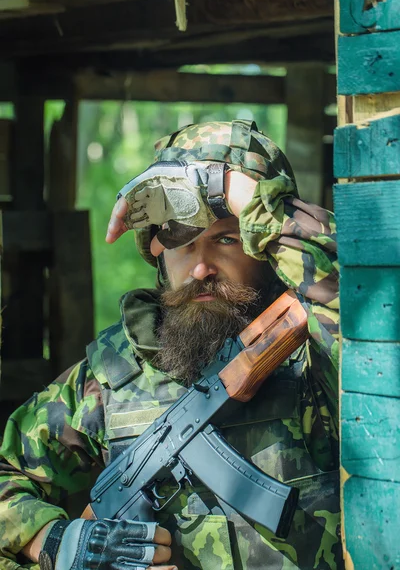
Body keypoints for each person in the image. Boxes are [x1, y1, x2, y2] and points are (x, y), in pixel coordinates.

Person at [0, 120, 343, 570]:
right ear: (158, 255)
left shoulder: (317, 350)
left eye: (226, 239)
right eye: (182, 244)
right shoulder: (111, 374)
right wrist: (56, 541)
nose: (201, 268)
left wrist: (235, 191)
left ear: (264, 246)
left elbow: (371, 306)